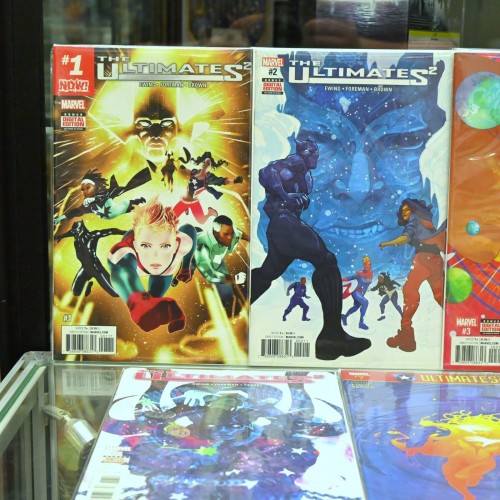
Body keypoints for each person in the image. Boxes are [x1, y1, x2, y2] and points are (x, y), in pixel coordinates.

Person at [251, 138, 371, 360]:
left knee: (268, 272)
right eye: (313, 153)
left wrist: (295, 198)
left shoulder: (304, 172)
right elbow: (265, 173)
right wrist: (285, 196)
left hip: (283, 225)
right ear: (307, 153)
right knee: (326, 261)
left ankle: (227, 307)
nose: (316, 157)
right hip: (284, 223)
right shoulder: (295, 163)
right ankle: (332, 339)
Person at [108, 196, 196, 333]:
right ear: (136, 246)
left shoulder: (184, 243)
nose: (155, 257)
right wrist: (138, 305)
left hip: (165, 270)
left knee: (154, 301)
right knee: (149, 307)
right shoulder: (123, 252)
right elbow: (121, 270)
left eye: (165, 246)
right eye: (146, 246)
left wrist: (185, 267)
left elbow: (189, 230)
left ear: (175, 245)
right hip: (139, 256)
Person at [379, 199, 446, 352]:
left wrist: (387, 243)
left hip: (423, 260)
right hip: (436, 261)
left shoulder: (414, 219)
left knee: (409, 290)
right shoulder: (426, 220)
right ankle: (459, 320)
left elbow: (405, 238)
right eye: (403, 211)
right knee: (440, 296)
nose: (404, 213)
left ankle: (407, 335)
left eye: (407, 210)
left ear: (414, 210)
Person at [180, 215, 248, 316]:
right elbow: (211, 274)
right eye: (226, 234)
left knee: (227, 293)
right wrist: (235, 279)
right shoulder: (201, 248)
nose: (230, 237)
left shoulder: (230, 232)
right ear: (215, 233)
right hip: (204, 260)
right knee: (225, 292)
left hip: (214, 258)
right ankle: (227, 308)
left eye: (231, 233)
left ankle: (228, 306)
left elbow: (239, 233)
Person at [53, 167, 149, 224]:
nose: (84, 191)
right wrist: (61, 218)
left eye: (88, 187)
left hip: (120, 208)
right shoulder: (87, 205)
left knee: (132, 204)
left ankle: (139, 200)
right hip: (113, 214)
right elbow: (76, 212)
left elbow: (107, 195)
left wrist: (95, 198)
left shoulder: (105, 194)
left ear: (96, 186)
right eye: (82, 189)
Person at [55, 220, 126, 297]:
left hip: (96, 268)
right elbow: (71, 232)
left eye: (76, 231)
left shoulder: (92, 236)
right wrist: (61, 236)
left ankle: (124, 282)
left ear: (82, 230)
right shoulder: (76, 234)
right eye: (74, 232)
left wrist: (124, 233)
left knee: (115, 293)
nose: (74, 233)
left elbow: (110, 231)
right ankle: (88, 286)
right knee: (76, 292)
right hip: (85, 268)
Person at [172, 152, 243, 224]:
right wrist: (185, 168)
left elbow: (222, 181)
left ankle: (210, 212)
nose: (205, 164)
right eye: (204, 162)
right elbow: (190, 171)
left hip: (194, 203)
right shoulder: (195, 171)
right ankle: (186, 208)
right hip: (184, 201)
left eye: (208, 163)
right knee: (171, 218)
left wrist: (235, 181)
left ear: (210, 167)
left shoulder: (208, 178)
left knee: (201, 221)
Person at [341, 255, 373, 330]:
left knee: (356, 307)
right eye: (366, 264)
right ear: (364, 265)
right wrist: (339, 280)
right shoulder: (360, 273)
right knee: (365, 302)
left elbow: (367, 283)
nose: (367, 266)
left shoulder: (371, 273)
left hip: (361, 294)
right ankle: (361, 323)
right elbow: (350, 277)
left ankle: (344, 316)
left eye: (369, 264)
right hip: (356, 292)